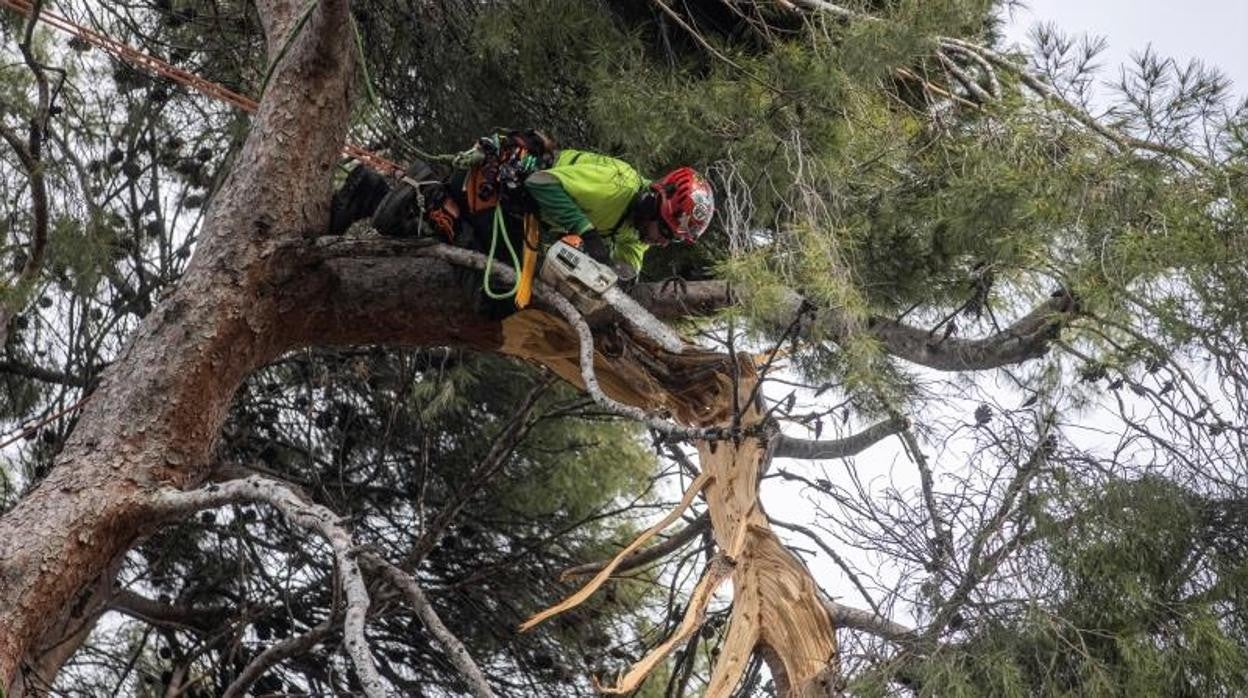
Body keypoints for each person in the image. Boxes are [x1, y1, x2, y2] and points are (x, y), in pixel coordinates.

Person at [330, 131, 714, 307]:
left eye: (672, 239)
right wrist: (585, 231)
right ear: (653, 201)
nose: (663, 240)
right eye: (665, 229)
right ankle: (423, 195)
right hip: (500, 188)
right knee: (494, 289)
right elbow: (541, 182)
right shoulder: (616, 186)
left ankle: (370, 193)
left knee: (508, 297)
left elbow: (627, 266)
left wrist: (613, 278)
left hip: (515, 211)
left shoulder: (635, 229)